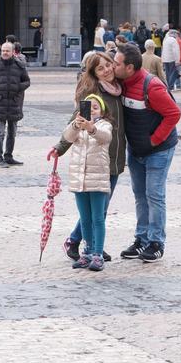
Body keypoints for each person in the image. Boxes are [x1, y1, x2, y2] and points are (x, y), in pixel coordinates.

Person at [52, 52, 126, 263]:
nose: (107, 70)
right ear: (94, 73)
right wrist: (61, 147)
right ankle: (80, 243)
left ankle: (92, 247)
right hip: (95, 158)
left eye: (108, 65)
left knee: (101, 208)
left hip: (115, 155)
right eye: (100, 69)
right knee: (97, 209)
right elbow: (75, 121)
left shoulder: (120, 87)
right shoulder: (91, 91)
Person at [114, 43, 181, 262]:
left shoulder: (152, 86)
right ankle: (141, 240)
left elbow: (174, 113)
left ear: (130, 68)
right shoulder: (120, 83)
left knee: (154, 195)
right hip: (136, 150)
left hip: (158, 150)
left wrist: (154, 140)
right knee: (140, 196)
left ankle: (156, 242)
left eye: (116, 63)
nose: (113, 66)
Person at [62, 95, 114, 272]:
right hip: (80, 180)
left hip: (97, 180)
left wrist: (91, 128)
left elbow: (105, 137)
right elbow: (67, 136)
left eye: (95, 108)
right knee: (85, 219)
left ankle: (98, 254)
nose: (91, 110)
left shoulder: (104, 125)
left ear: (102, 112)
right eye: (88, 107)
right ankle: (87, 253)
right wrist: (76, 125)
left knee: (97, 218)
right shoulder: (77, 126)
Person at [0, 42, 30, 167]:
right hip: (0, 103)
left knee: (12, 133)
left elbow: (27, 81)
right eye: (3, 50)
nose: (5, 53)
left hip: (14, 103)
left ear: (13, 52)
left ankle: (8, 156)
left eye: (7, 51)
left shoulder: (19, 66)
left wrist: (18, 87)